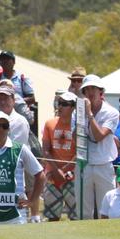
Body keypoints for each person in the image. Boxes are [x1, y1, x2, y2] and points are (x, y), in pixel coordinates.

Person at [78, 74, 120, 220]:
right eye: (87, 89)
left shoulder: (112, 112)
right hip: (84, 164)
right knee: (83, 212)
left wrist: (89, 114)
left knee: (106, 210)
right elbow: (74, 137)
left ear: (100, 91)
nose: (90, 92)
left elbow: (99, 136)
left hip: (104, 164)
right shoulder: (78, 111)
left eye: (93, 88)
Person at [41, 91, 78, 221]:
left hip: (73, 176)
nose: (60, 107)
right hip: (52, 175)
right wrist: (57, 171)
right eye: (59, 103)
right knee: (52, 217)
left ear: (74, 107)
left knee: (75, 217)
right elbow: (45, 150)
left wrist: (64, 171)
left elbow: (79, 153)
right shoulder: (49, 124)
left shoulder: (79, 127)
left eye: (64, 104)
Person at [0, 50, 36, 114]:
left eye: (7, 59)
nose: (5, 61)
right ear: (0, 63)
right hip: (1, 114)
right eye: (2, 59)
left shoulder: (22, 78)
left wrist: (13, 102)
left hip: (19, 113)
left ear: (13, 62)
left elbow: (32, 99)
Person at [0, 80, 31, 146]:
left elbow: (15, 149)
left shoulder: (20, 122)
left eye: (6, 98)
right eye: (0, 99)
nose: (2, 102)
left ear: (13, 100)